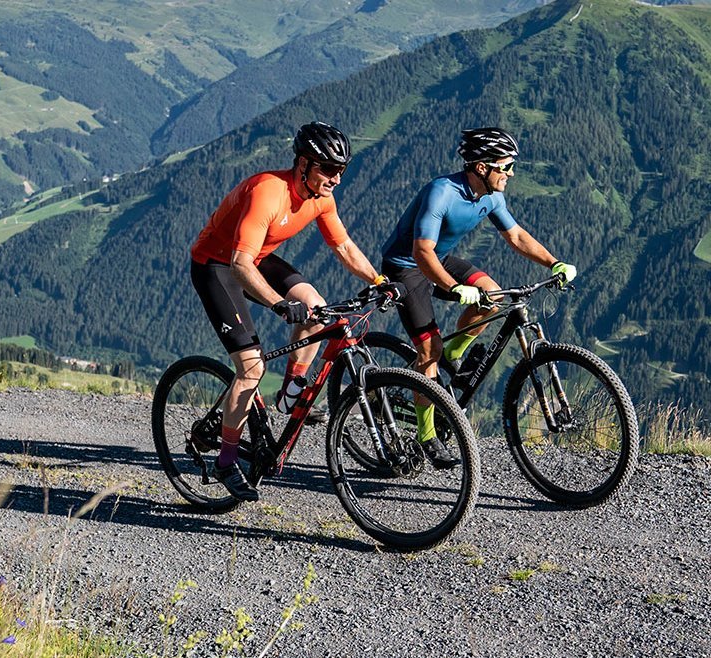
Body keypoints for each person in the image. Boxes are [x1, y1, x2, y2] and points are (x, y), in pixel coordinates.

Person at [188, 121, 396, 502]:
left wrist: (378, 280)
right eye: (328, 169)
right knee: (251, 367)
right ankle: (226, 460)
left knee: (318, 308)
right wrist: (280, 305)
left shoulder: (322, 198)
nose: (336, 178)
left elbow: (345, 247)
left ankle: (290, 391)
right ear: (303, 164)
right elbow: (239, 264)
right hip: (218, 266)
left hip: (258, 258)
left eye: (341, 170)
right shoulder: (268, 192)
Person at [377, 127, 577, 468]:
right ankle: (427, 436)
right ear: (482, 167)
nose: (512, 173)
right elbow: (421, 251)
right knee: (428, 350)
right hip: (407, 266)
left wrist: (554, 262)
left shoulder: (491, 196)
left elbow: (515, 236)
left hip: (438, 259)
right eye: (506, 166)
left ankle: (451, 357)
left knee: (493, 295)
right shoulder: (442, 192)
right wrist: (455, 288)